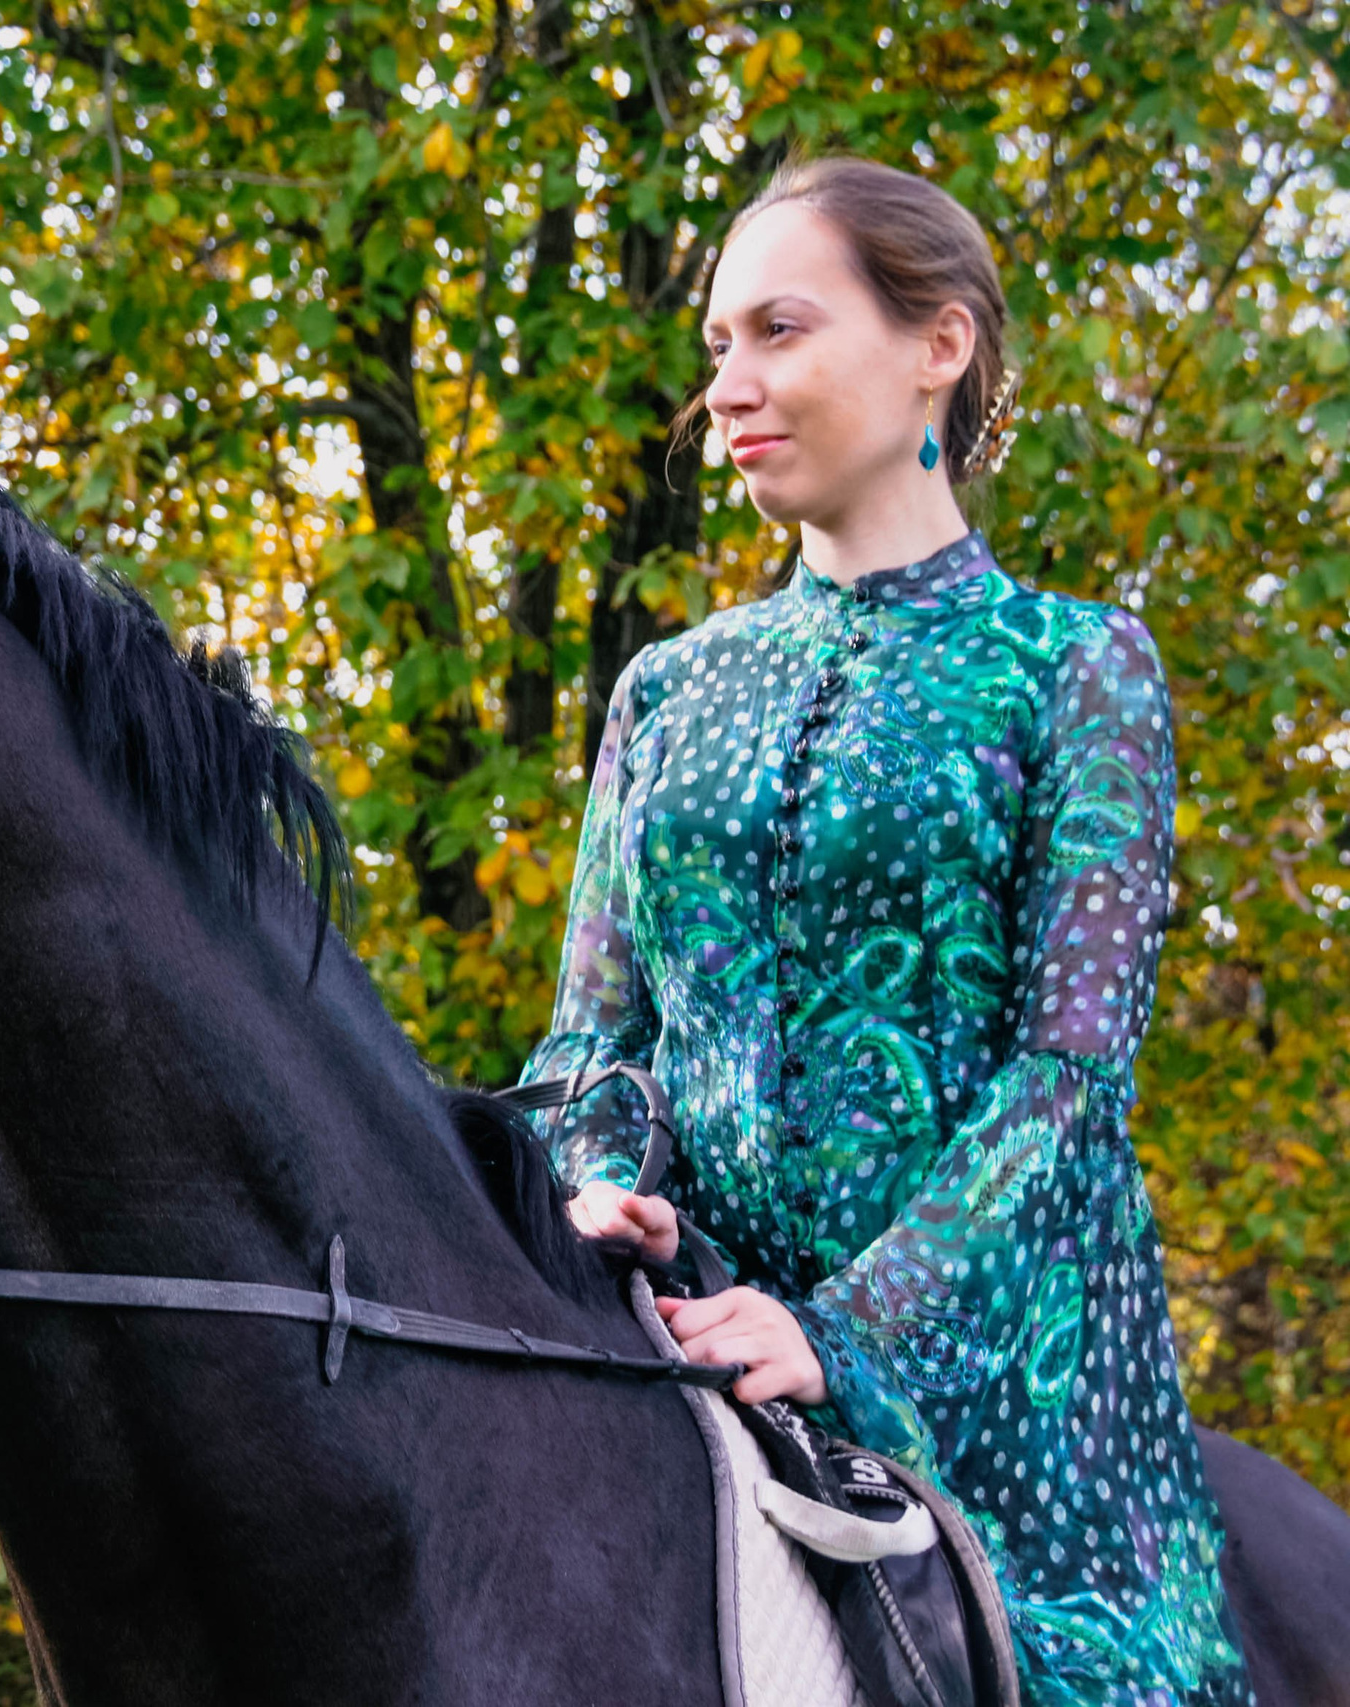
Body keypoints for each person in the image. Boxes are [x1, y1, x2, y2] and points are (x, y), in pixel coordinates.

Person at [520, 154, 1253, 1706]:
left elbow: (1068, 1085)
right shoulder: (663, 690)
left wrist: (842, 1334)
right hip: (693, 1341)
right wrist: (604, 1193)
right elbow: (593, 1039)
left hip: (1007, 1410)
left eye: (780, 330)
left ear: (942, 344)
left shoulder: (1076, 669)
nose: (728, 385)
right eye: (718, 344)